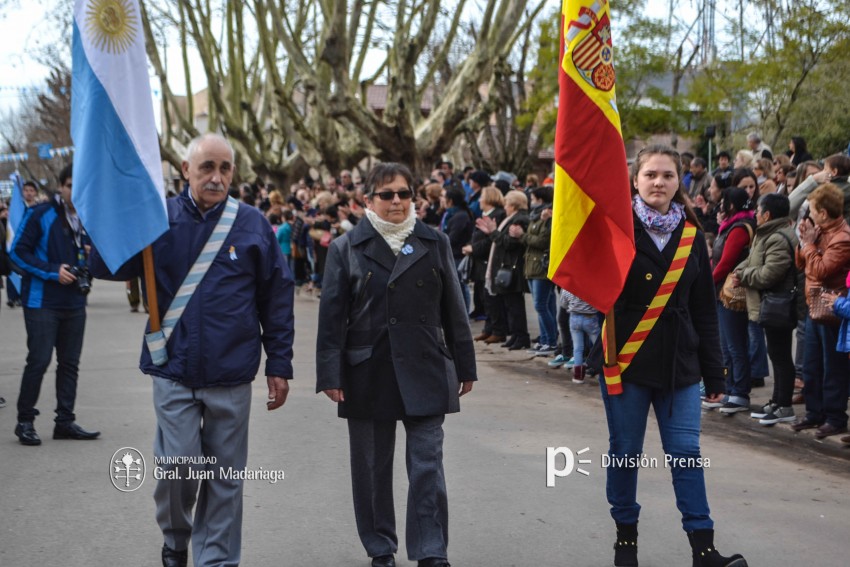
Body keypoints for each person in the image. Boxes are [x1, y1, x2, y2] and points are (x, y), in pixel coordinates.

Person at [88, 133, 295, 567]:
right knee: (178, 468)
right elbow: (111, 263)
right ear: (185, 170)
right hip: (174, 368)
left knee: (224, 477)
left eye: (225, 168)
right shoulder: (156, 218)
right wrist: (109, 215)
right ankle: (176, 537)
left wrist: (279, 363)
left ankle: (215, 559)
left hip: (232, 373)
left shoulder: (253, 223)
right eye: (207, 167)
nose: (216, 177)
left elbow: (277, 296)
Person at [316, 162, 476, 567]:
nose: (397, 202)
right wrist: (330, 374)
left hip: (425, 366)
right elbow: (332, 318)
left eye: (404, 193)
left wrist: (465, 364)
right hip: (367, 370)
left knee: (427, 464)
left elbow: (454, 308)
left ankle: (431, 549)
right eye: (387, 195)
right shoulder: (345, 248)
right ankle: (380, 547)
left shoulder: (434, 241)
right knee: (371, 469)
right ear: (367, 200)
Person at [595, 145, 746, 567]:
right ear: (635, 180)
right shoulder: (615, 231)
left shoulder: (692, 237)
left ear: (679, 182)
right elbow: (591, 291)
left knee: (686, 454)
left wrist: (716, 376)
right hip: (627, 360)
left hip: (682, 365)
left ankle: (704, 549)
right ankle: (626, 543)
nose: (658, 182)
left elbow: (704, 309)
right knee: (625, 451)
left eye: (666, 175)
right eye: (649, 175)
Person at [9, 164, 99, 446]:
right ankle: (25, 421)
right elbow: (16, 253)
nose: (75, 191)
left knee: (70, 363)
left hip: (74, 300)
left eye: (80, 185)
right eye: (70, 185)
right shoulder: (40, 213)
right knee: (39, 360)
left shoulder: (86, 216)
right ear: (61, 186)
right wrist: (52, 271)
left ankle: (65, 421)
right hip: (41, 301)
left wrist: (91, 255)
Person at [732, 193, 800, 425]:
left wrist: (743, 276)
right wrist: (739, 271)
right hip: (770, 305)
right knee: (777, 354)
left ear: (767, 214)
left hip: (778, 306)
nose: (755, 215)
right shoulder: (767, 234)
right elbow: (753, 261)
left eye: (758, 211)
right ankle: (777, 402)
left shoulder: (778, 238)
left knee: (780, 357)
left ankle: (785, 406)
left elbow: (769, 274)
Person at [792, 183, 850, 439]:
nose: (810, 214)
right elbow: (801, 262)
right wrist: (803, 241)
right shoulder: (820, 231)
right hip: (814, 305)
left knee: (832, 367)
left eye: (813, 210)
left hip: (831, 310)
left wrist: (808, 245)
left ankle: (836, 417)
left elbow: (820, 270)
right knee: (812, 365)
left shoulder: (842, 238)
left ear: (824, 213)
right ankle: (814, 413)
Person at [705, 186, 756, 414]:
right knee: (726, 344)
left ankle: (739, 392)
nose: (720, 206)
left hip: (733, 295)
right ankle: (728, 388)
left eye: (724, 201)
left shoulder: (739, 229)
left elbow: (725, 263)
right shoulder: (730, 225)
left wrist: (706, 282)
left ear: (732, 205)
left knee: (734, 344)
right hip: (722, 291)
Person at [476, 190, 531, 350]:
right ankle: (515, 336)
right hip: (507, 268)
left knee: (515, 307)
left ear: (514, 205)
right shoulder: (513, 217)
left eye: (507, 203)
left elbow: (509, 243)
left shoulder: (519, 219)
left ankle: (521, 336)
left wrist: (493, 232)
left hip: (512, 270)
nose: (505, 206)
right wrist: (493, 232)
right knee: (510, 306)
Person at [512, 185, 557, 355]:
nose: (531, 202)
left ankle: (550, 341)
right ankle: (545, 339)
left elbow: (543, 241)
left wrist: (522, 236)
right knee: (544, 305)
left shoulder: (548, 217)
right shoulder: (537, 216)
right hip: (532, 265)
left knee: (541, 305)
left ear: (540, 200)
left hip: (541, 266)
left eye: (533, 199)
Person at [465, 186, 507, 343]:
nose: (479, 200)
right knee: (485, 298)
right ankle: (488, 328)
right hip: (480, 263)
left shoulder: (498, 215)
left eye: (482, 196)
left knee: (492, 299)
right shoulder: (484, 215)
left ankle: (497, 330)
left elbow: (491, 241)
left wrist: (473, 248)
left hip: (489, 262)